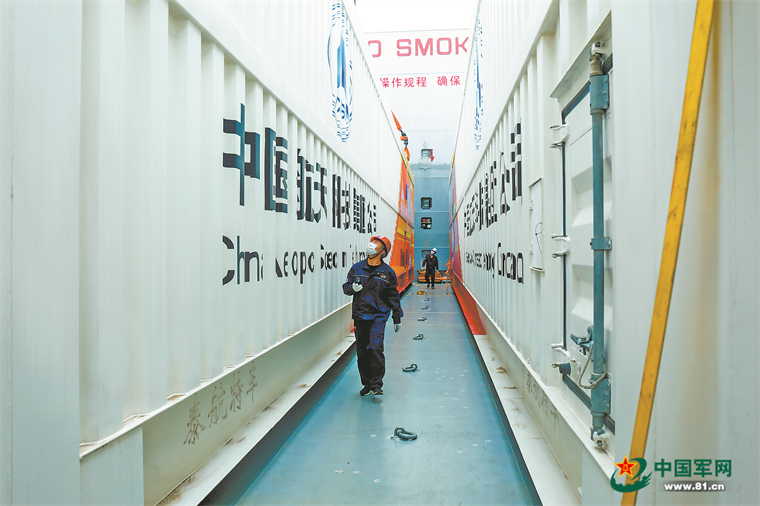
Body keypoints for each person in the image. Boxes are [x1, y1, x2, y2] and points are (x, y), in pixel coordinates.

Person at [343, 236, 403, 396]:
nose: (372, 245)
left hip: (378, 315)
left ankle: (376, 384)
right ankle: (367, 384)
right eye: (373, 242)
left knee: (375, 347)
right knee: (362, 351)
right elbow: (346, 288)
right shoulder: (357, 268)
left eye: (377, 244)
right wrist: (352, 288)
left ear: (382, 251)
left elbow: (393, 296)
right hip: (360, 315)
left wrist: (397, 316)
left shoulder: (387, 273)